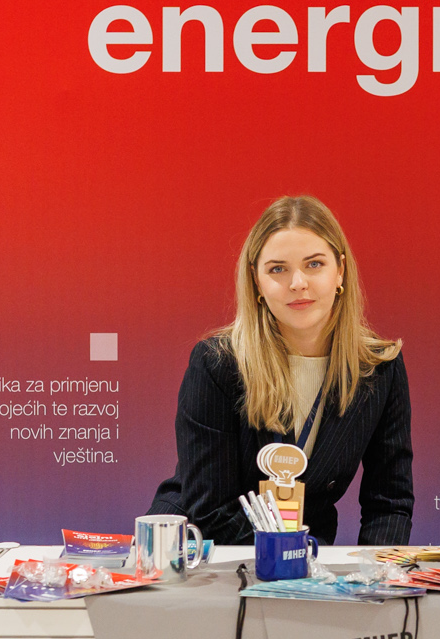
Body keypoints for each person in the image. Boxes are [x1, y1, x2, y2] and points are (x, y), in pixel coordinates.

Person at [149, 195, 413, 546]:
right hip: (202, 549)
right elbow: (211, 512)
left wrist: (372, 574)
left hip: (305, 554)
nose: (298, 283)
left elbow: (390, 503)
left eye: (314, 264)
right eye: (277, 269)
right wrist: (291, 559)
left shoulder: (379, 368)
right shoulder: (218, 363)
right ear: (256, 282)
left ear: (340, 271)